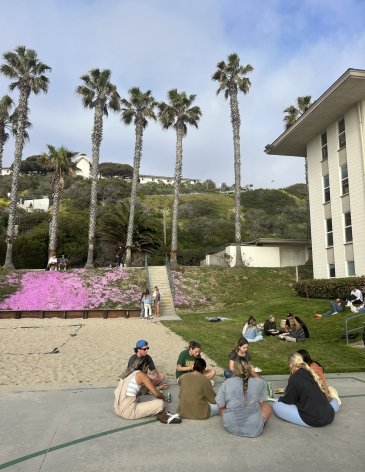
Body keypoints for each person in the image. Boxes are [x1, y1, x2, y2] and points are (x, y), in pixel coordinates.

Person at [272, 352, 340, 427]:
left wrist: (280, 399)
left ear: (291, 365)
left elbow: (288, 400)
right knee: (330, 404)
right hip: (329, 416)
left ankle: (333, 403)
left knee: (277, 405)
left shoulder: (295, 377)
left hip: (314, 419)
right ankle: (335, 402)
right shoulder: (311, 372)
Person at [216, 358, 272, 437]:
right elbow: (262, 382)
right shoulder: (259, 383)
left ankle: (233, 419)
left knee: (222, 407)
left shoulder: (227, 382)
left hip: (230, 426)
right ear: (249, 368)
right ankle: (256, 422)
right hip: (254, 429)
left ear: (234, 369)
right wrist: (251, 372)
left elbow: (220, 405)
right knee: (267, 406)